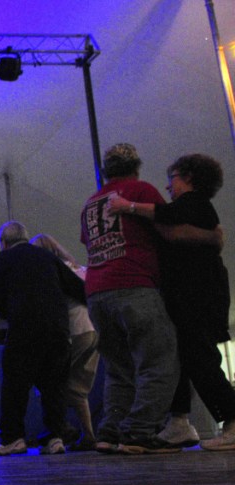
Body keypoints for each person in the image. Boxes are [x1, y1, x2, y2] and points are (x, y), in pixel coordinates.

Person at [106, 153, 235, 451]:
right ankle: (178, 422)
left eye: (172, 179)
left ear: (189, 177)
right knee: (180, 355)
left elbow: (168, 219)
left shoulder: (195, 204)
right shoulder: (198, 212)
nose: (167, 187)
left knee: (198, 356)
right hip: (187, 293)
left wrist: (129, 207)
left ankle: (230, 419)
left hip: (197, 295)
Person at [79, 143, 180, 454]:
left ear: (104, 171)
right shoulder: (141, 190)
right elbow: (167, 227)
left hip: (97, 291)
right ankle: (138, 432)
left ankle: (109, 433)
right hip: (135, 285)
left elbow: (88, 241)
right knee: (159, 363)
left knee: (119, 369)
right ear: (136, 166)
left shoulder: (90, 203)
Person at [0, 222, 85, 455]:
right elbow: (77, 287)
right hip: (57, 329)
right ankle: (54, 437)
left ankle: (13, 438)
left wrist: (10, 313)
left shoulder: (1, 259)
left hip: (24, 328)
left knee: (15, 385)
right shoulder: (47, 257)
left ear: (4, 242)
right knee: (54, 386)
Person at [30, 233, 100, 451]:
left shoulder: (51, 273)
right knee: (78, 386)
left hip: (74, 331)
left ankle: (58, 434)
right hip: (94, 330)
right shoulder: (78, 268)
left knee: (52, 383)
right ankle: (88, 435)